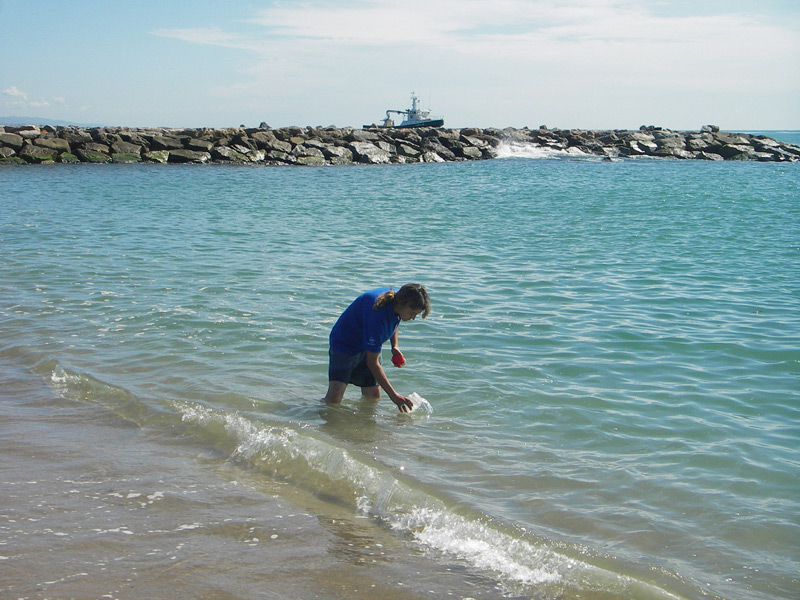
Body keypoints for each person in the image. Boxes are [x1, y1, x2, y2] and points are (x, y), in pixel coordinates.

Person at [322, 284, 431, 413]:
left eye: (416, 314)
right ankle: (314, 418)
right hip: (345, 343)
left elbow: (395, 320)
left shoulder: (399, 300)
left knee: (373, 395)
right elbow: (372, 363)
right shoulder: (377, 315)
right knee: (335, 397)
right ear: (402, 303)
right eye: (412, 313)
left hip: (367, 344)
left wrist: (394, 346)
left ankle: (365, 428)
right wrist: (394, 396)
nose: (413, 317)